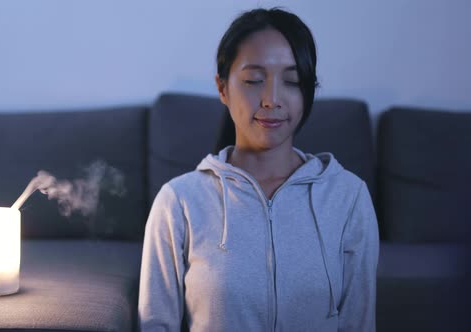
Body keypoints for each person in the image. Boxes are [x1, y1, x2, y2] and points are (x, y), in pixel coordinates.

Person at [138, 7, 379, 332]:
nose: (272, 99)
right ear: (222, 88)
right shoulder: (178, 202)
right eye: (254, 80)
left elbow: (359, 324)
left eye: (292, 81)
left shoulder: (348, 198)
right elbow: (156, 325)